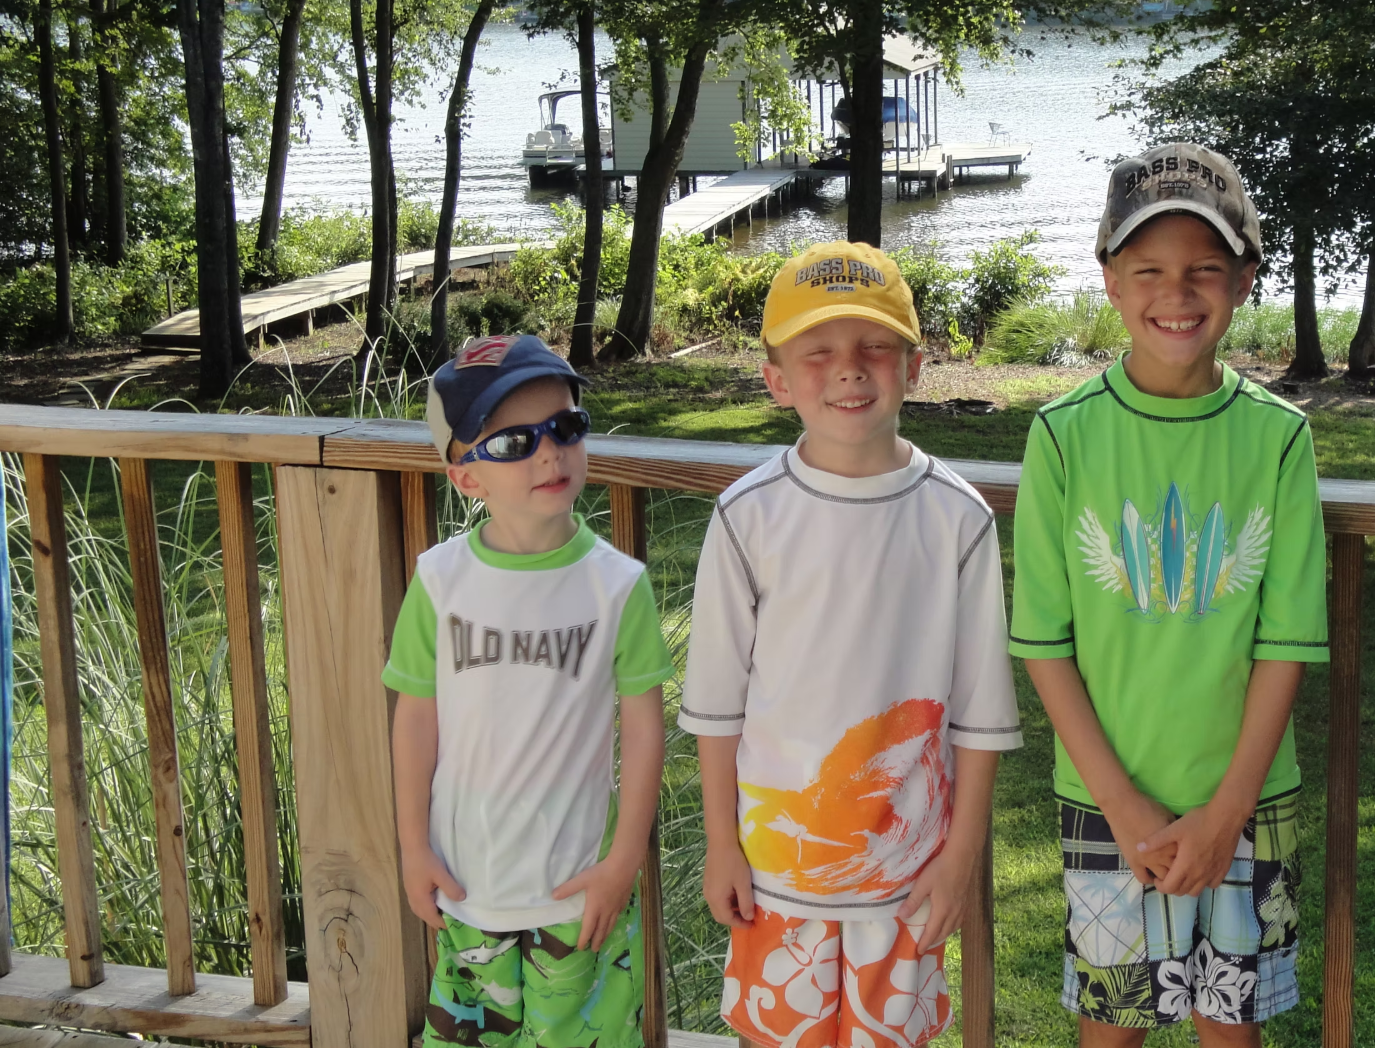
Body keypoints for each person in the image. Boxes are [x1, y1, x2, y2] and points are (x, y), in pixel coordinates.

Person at [1009, 143, 1329, 1048]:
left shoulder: (1276, 438)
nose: (1176, 295)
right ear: (1110, 281)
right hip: (1108, 801)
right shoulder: (1064, 435)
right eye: (1148, 269)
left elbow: (1286, 640)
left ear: (1245, 281)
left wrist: (1227, 810)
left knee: (1229, 1032)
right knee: (1111, 1030)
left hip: (1249, 802)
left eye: (1205, 271)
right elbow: (1043, 641)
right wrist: (1121, 805)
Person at [680, 241, 1023, 1048]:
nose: (848, 369)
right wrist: (721, 845)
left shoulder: (958, 519)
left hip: (906, 878)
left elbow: (978, 717)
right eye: (818, 352)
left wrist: (959, 858)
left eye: (874, 346)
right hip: (774, 878)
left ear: (914, 368)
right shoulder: (746, 516)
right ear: (775, 376)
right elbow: (716, 705)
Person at [385, 334, 675, 1048]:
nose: (550, 453)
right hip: (467, 886)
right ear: (466, 478)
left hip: (578, 893)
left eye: (565, 428)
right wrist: (411, 846)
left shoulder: (617, 586)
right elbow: (415, 721)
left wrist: (621, 865)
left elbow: (643, 732)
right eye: (514, 442)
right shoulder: (438, 581)